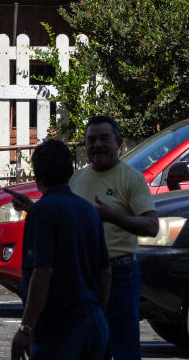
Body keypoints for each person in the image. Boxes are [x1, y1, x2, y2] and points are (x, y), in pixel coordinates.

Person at [11, 139, 110, 360]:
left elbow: (43, 272)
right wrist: (98, 315)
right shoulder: (88, 210)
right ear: (71, 171)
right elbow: (105, 272)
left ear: (37, 174)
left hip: (59, 328)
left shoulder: (42, 213)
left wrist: (26, 328)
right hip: (93, 323)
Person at [70, 116, 159, 360]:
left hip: (120, 275)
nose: (97, 144)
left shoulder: (132, 179)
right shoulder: (77, 179)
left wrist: (111, 216)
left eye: (104, 139)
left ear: (118, 143)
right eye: (91, 140)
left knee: (123, 350)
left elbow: (152, 226)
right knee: (88, 349)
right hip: (84, 276)